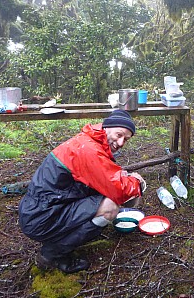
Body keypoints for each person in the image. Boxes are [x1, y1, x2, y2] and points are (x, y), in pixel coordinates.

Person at [19, 110, 146, 273]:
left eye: (126, 139)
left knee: (105, 195)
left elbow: (103, 178)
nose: (121, 142)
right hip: (41, 217)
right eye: (119, 135)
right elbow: (120, 191)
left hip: (43, 208)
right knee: (110, 207)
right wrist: (137, 182)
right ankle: (52, 253)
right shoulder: (88, 149)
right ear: (106, 128)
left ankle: (70, 235)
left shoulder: (90, 141)